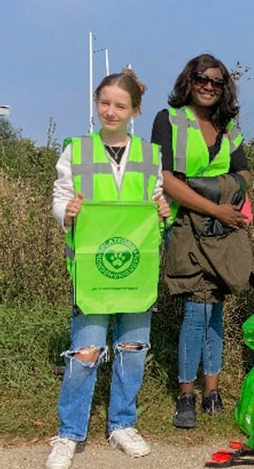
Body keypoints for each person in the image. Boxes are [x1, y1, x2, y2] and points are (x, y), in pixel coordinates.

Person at [47, 69, 169, 469]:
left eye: (120, 105)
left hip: (135, 269)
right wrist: (68, 211)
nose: (110, 111)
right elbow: (59, 198)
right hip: (91, 272)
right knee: (86, 350)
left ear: (134, 110)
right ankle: (69, 433)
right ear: (96, 103)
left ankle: (122, 424)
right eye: (104, 103)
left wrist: (162, 211)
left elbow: (155, 204)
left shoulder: (151, 155)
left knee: (132, 349)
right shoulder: (76, 150)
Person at [151, 53, 253, 429]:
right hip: (185, 227)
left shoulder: (228, 126)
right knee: (196, 311)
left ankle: (213, 391)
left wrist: (217, 192)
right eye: (201, 79)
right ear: (188, 81)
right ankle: (186, 394)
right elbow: (165, 177)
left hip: (222, 230)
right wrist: (216, 206)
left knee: (216, 309)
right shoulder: (169, 119)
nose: (209, 86)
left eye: (217, 81)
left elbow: (243, 174)